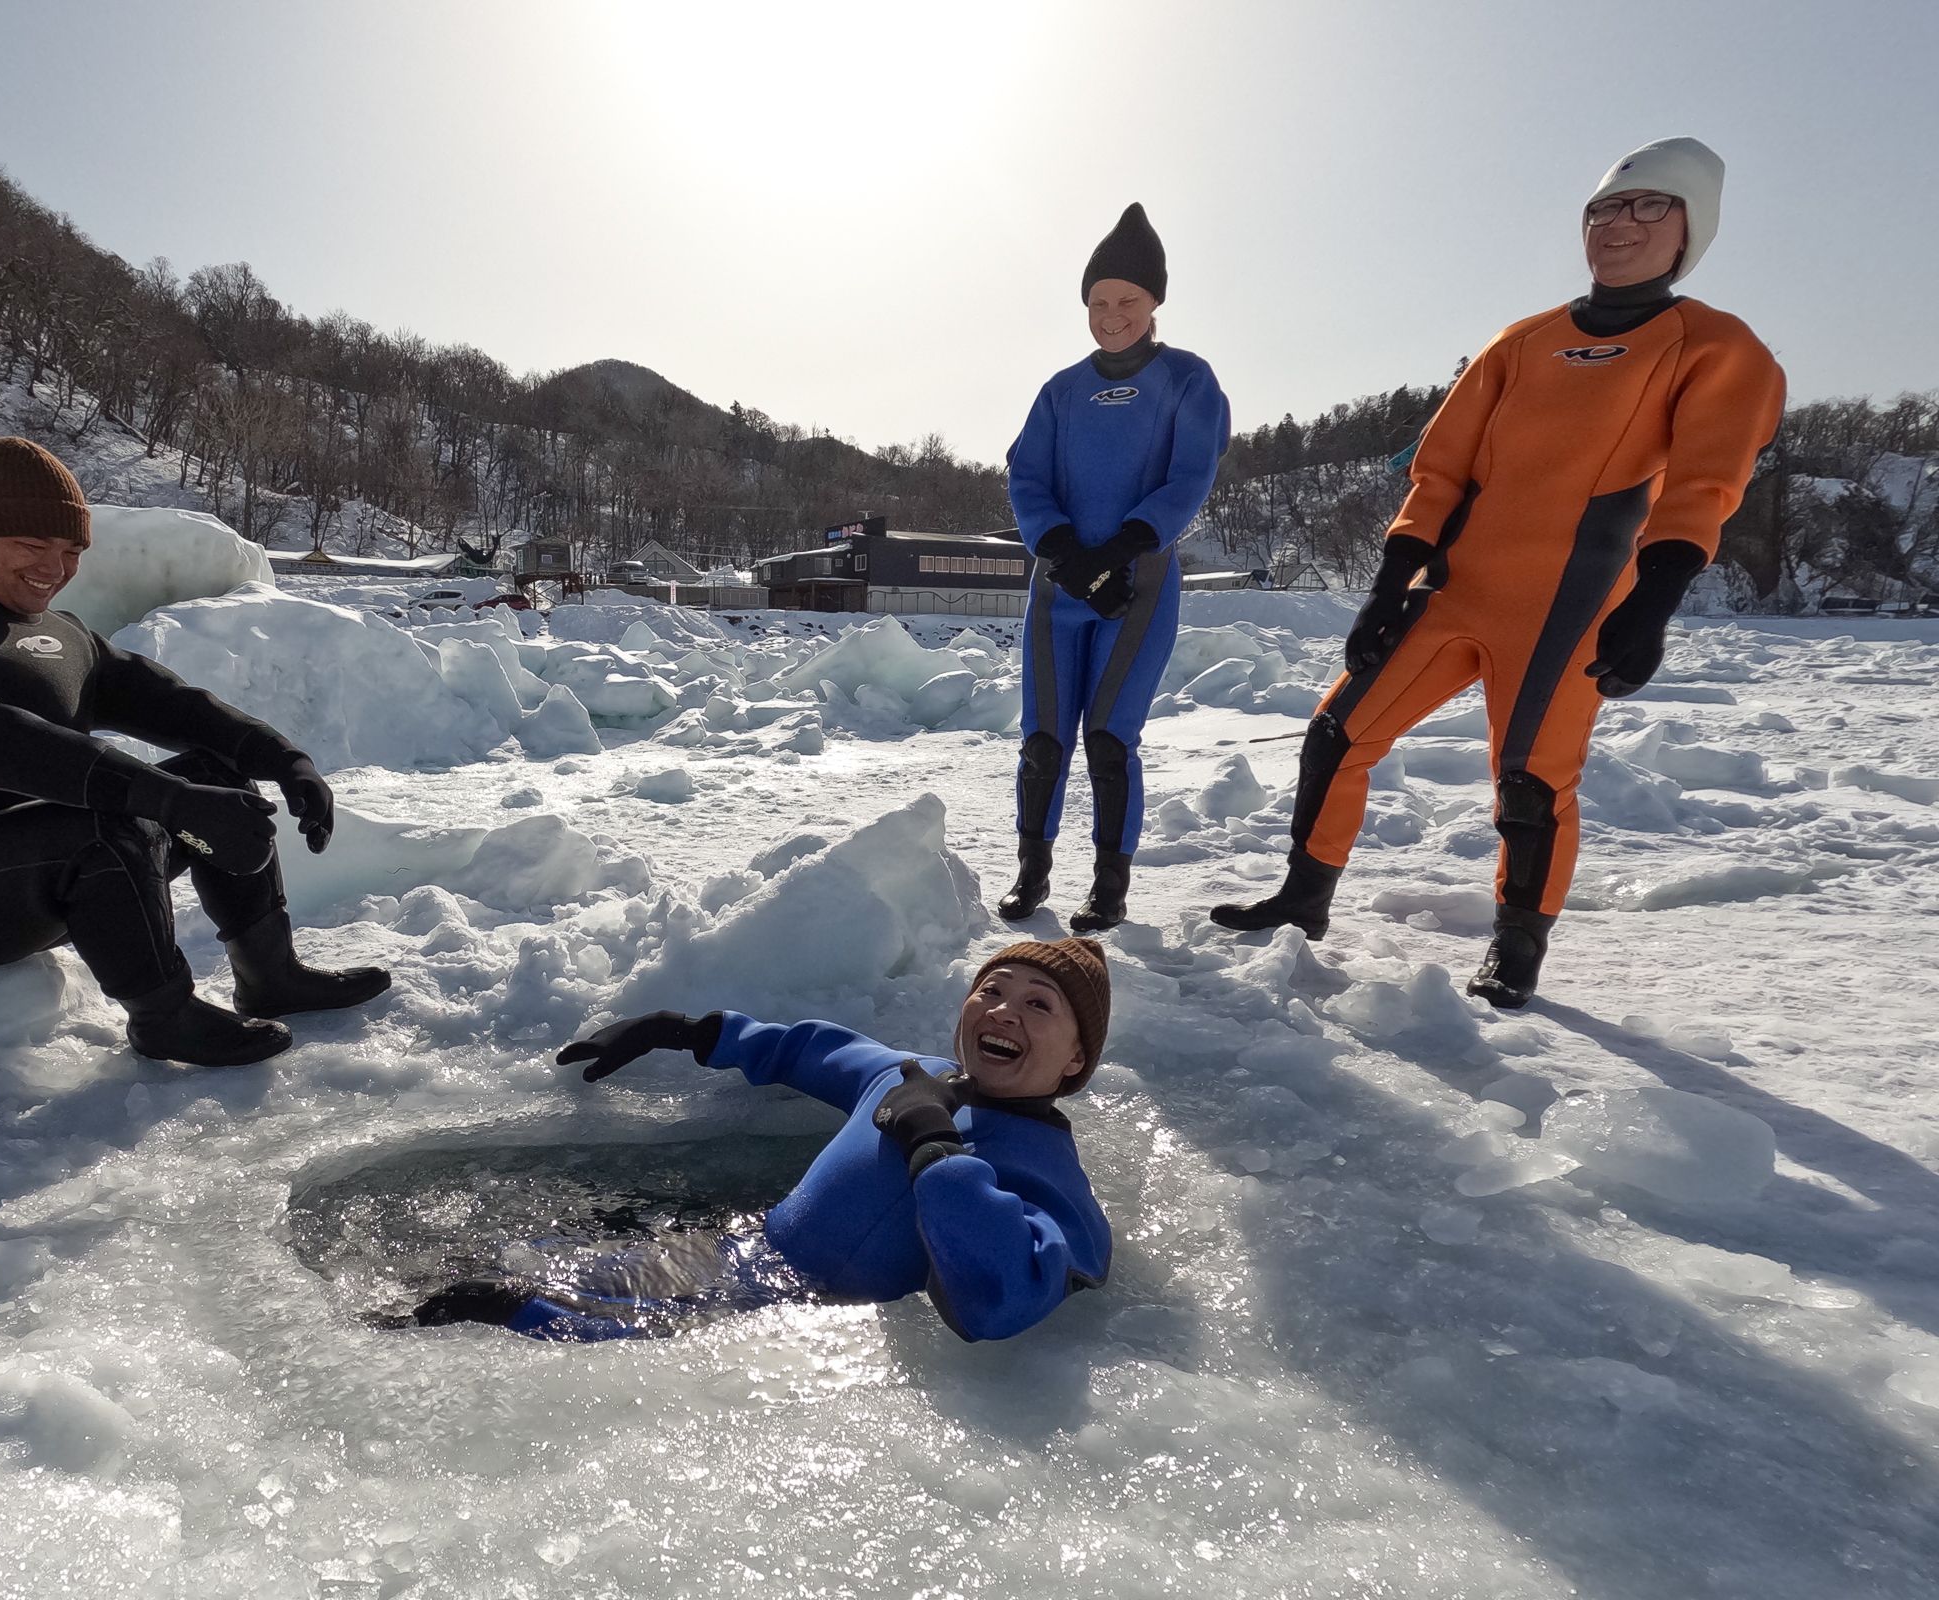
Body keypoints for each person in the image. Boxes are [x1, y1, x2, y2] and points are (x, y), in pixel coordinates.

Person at [1211, 138, 1785, 1007]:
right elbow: (1441, 471)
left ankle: (1517, 945)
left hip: (1572, 606)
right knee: (1337, 733)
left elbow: (1704, 485)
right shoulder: (1522, 342)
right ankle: (1303, 899)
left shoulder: (1715, 346)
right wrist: (1387, 586)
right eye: (1605, 209)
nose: (1620, 224)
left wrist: (1655, 602)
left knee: (1530, 781)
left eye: (1650, 207)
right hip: (1455, 594)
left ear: (1689, 231)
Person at [0, 437, 389, 1068]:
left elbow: (171, 703)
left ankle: (271, 976)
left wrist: (283, 759)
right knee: (115, 822)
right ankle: (162, 1017)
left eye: (71, 551)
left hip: (41, 874)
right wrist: (169, 801)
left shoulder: (62, 633)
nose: (53, 568)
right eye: (31, 546)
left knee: (214, 776)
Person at [414, 937, 1115, 1342]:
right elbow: (805, 1051)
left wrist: (935, 1148)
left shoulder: (1049, 1174)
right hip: (735, 1252)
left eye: (1037, 1004)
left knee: (498, 1310)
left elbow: (999, 1299)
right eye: (992, 989)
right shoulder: (912, 1075)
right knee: (473, 1269)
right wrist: (681, 1030)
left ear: (1076, 1060)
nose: (1002, 1011)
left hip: (776, 1322)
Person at [1000, 203, 1231, 932]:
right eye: (1099, 301)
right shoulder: (1061, 390)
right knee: (1043, 739)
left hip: (1138, 584)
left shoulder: (1189, 380)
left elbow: (1191, 473)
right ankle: (1031, 871)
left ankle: (1108, 885)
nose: (1112, 314)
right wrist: (1063, 549)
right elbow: (1025, 473)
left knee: (1107, 737)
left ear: (1154, 302)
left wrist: (1125, 544)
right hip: (1059, 584)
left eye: (1128, 300)